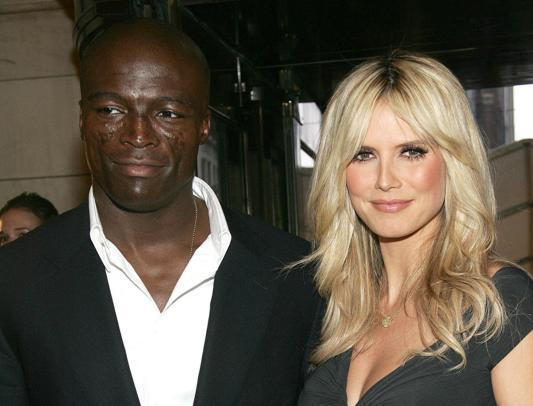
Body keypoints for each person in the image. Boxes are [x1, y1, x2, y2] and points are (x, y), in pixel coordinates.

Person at [0, 18, 321, 405]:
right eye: (111, 110)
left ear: (204, 125)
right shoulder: (14, 281)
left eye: (168, 113)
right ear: (83, 120)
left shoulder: (298, 275)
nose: (138, 135)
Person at [297, 52, 533, 405]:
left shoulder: (500, 302)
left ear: (454, 161)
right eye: (363, 154)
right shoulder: (334, 306)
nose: (385, 179)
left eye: (411, 151)